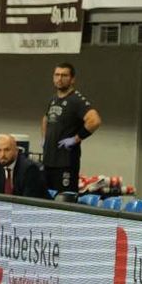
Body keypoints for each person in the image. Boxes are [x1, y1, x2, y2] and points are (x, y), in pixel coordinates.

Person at [40, 63, 101, 193]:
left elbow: (94, 120)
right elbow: (45, 118)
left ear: (72, 79)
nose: (59, 78)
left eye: (64, 75)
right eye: (57, 75)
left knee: (63, 202)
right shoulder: (53, 99)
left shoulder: (76, 100)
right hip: (48, 161)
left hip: (66, 163)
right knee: (46, 202)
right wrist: (44, 138)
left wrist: (76, 139)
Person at [0, 133, 46, 199]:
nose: (2, 154)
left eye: (7, 150)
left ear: (16, 151)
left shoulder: (29, 169)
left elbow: (28, 201)